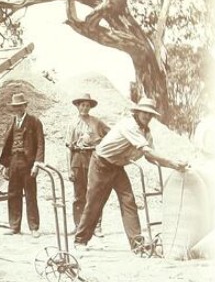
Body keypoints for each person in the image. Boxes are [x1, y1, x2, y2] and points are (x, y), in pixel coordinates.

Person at [74, 97, 188, 252]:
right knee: (95, 202)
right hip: (101, 163)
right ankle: (80, 240)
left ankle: (137, 244)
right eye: (144, 113)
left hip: (117, 167)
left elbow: (149, 157)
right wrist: (172, 162)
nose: (147, 117)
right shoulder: (129, 125)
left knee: (128, 200)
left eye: (150, 114)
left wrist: (173, 166)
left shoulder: (146, 133)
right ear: (137, 112)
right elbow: (146, 151)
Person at [0, 93, 45, 238]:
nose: (18, 109)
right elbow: (7, 145)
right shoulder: (11, 122)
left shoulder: (34, 121)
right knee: (13, 194)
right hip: (13, 162)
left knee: (31, 195)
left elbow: (40, 144)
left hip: (28, 163)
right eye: (15, 107)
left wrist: (37, 163)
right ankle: (14, 226)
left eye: (20, 106)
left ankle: (34, 227)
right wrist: (6, 165)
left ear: (25, 106)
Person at [65, 93, 110, 236]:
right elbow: (69, 149)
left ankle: (97, 226)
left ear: (90, 107)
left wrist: (99, 144)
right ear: (77, 106)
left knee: (95, 193)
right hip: (78, 160)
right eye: (82, 105)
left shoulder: (96, 122)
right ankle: (78, 225)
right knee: (79, 195)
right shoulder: (72, 124)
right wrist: (69, 169)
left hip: (93, 159)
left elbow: (111, 135)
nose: (85, 108)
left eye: (87, 105)